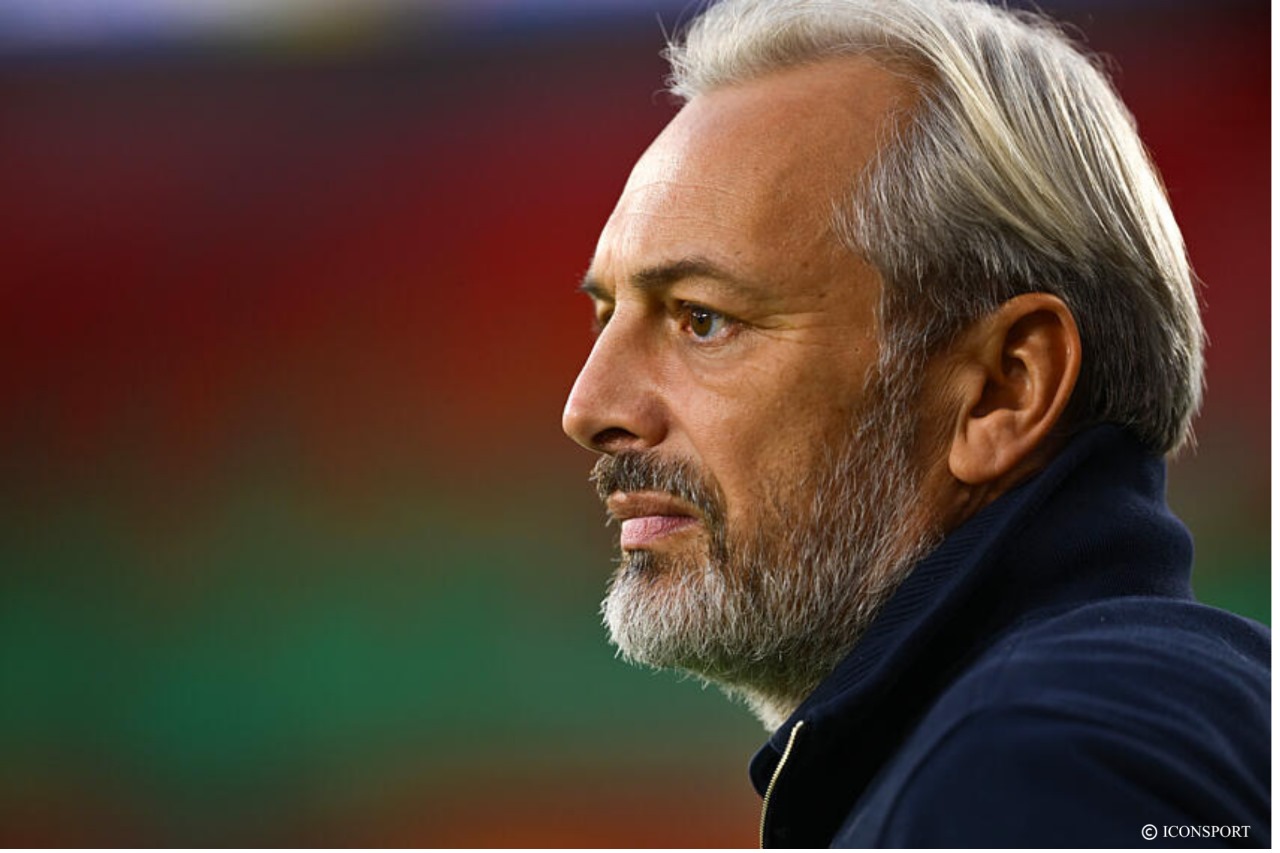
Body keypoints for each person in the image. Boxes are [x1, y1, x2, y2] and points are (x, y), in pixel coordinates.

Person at [560, 0, 1269, 847]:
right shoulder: (1175, 721)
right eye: (605, 314)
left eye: (702, 318)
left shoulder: (1027, 766)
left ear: (1004, 389)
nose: (588, 408)